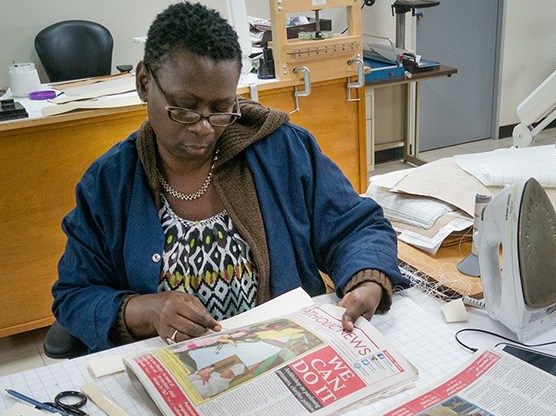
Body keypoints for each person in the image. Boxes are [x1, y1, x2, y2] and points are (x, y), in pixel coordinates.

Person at [51, 1, 406, 353]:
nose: (204, 128)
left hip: (284, 352)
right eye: (185, 108)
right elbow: (76, 294)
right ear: (144, 82)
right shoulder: (109, 182)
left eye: (221, 109)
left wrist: (368, 279)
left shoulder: (280, 150)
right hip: (172, 365)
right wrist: (146, 309)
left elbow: (356, 227)